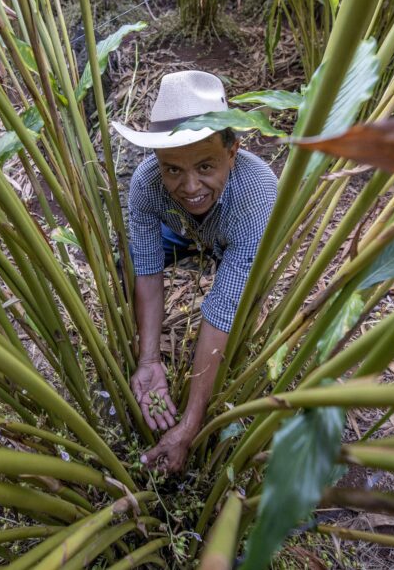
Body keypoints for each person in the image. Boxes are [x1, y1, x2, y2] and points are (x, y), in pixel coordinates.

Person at [112, 70, 278, 473]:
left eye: (205, 166)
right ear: (158, 162)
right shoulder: (146, 184)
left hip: (232, 233)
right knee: (127, 267)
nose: (189, 186)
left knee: (242, 304)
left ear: (233, 152)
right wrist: (149, 360)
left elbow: (221, 309)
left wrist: (190, 424)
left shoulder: (258, 195)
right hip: (180, 230)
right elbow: (148, 270)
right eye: (173, 170)